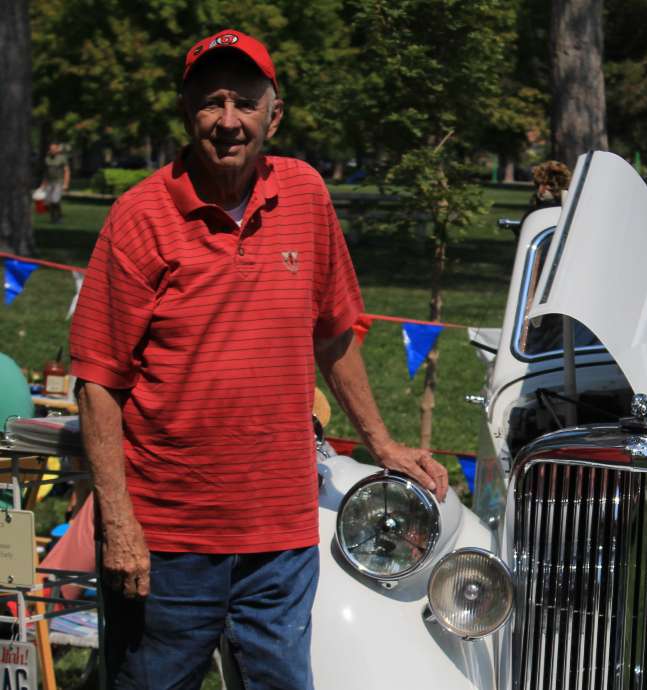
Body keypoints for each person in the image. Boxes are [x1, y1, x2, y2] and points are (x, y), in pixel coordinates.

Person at [69, 29, 449, 690]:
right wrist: (120, 523)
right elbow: (99, 382)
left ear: (276, 112)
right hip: (169, 535)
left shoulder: (304, 195)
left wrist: (383, 444)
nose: (227, 121)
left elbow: (333, 334)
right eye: (211, 102)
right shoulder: (140, 216)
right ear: (188, 113)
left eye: (244, 102)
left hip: (280, 533)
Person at [42, 142, 70, 223]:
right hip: (49, 182)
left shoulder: (62, 158)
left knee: (55, 200)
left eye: (54, 149)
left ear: (57, 149)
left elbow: (67, 171)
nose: (52, 150)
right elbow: (46, 173)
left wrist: (66, 183)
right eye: (51, 149)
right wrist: (43, 184)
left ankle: (59, 216)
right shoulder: (47, 159)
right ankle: (53, 218)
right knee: (48, 202)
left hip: (59, 182)